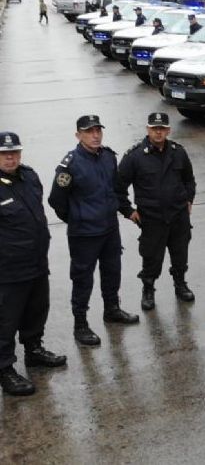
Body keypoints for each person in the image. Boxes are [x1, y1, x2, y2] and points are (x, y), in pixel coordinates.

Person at [48, 115, 139, 347]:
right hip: (84, 234)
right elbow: (56, 200)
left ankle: (112, 310)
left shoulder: (108, 157)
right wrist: (77, 218)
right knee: (82, 280)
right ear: (78, 135)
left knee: (112, 272)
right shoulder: (69, 164)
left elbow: (115, 190)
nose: (95, 135)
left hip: (109, 229)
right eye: (89, 131)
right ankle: (81, 324)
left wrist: (125, 210)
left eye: (98, 130)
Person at [0, 132, 66, 396]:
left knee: (36, 310)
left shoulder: (29, 177)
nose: (10, 157)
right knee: (6, 321)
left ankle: (34, 350)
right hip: (9, 270)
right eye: (4, 154)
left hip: (37, 262)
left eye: (14, 152)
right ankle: (5, 369)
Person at [117, 113, 197, 311]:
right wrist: (128, 211)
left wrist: (188, 199)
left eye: (162, 128)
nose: (158, 132)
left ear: (168, 130)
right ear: (148, 130)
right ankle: (148, 289)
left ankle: (180, 284)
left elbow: (189, 179)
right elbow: (117, 187)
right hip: (152, 218)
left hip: (178, 216)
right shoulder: (134, 156)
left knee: (180, 254)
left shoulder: (178, 152)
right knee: (152, 257)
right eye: (154, 128)